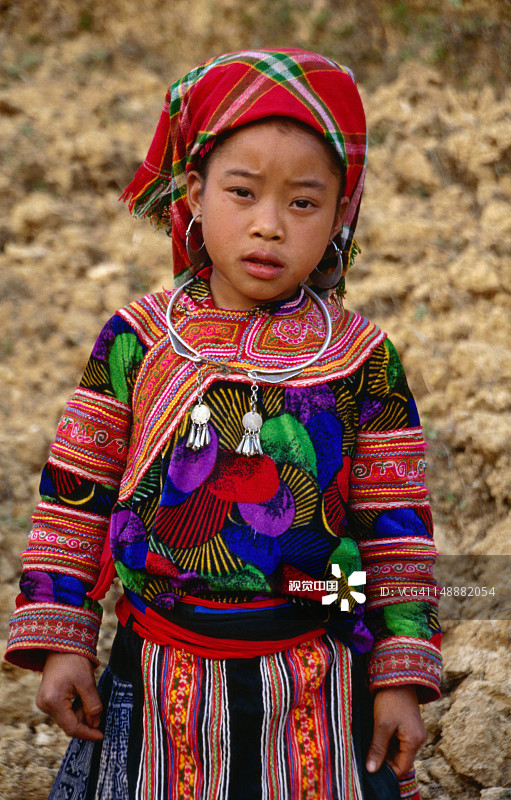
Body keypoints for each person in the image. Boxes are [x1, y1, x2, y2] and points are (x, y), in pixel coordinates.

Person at [5, 49, 442, 800]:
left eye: (304, 203)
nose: (268, 226)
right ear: (196, 194)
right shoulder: (138, 338)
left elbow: (396, 524)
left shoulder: (362, 357)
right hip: (155, 677)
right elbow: (75, 493)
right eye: (242, 192)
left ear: (343, 214)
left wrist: (400, 667)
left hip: (320, 676)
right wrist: (60, 639)